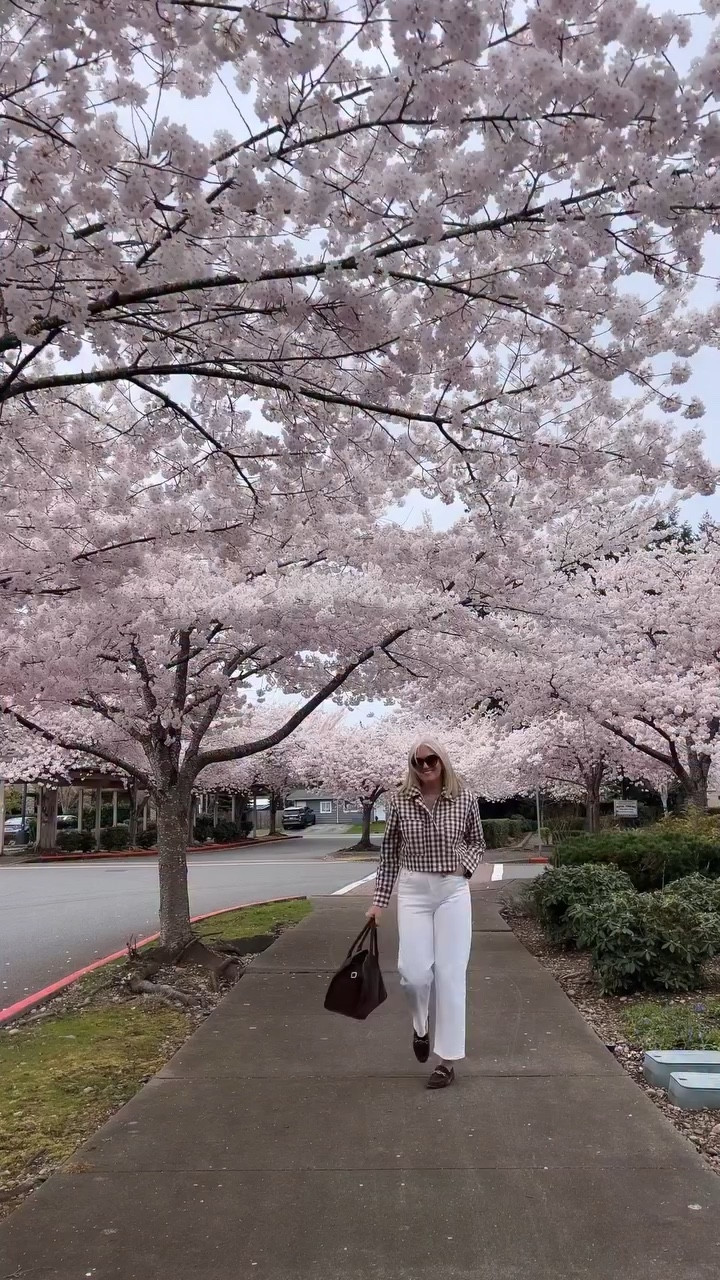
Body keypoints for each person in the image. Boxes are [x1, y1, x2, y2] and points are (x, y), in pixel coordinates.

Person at [366, 739, 485, 1089]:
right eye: (418, 762)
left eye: (431, 759)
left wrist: (464, 869)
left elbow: (477, 842)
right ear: (412, 766)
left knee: (450, 975)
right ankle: (420, 1027)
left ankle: (446, 1060)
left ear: (442, 761)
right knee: (413, 974)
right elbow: (389, 854)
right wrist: (379, 902)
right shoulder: (400, 800)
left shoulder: (464, 797)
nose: (425, 766)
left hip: (452, 891)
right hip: (414, 890)